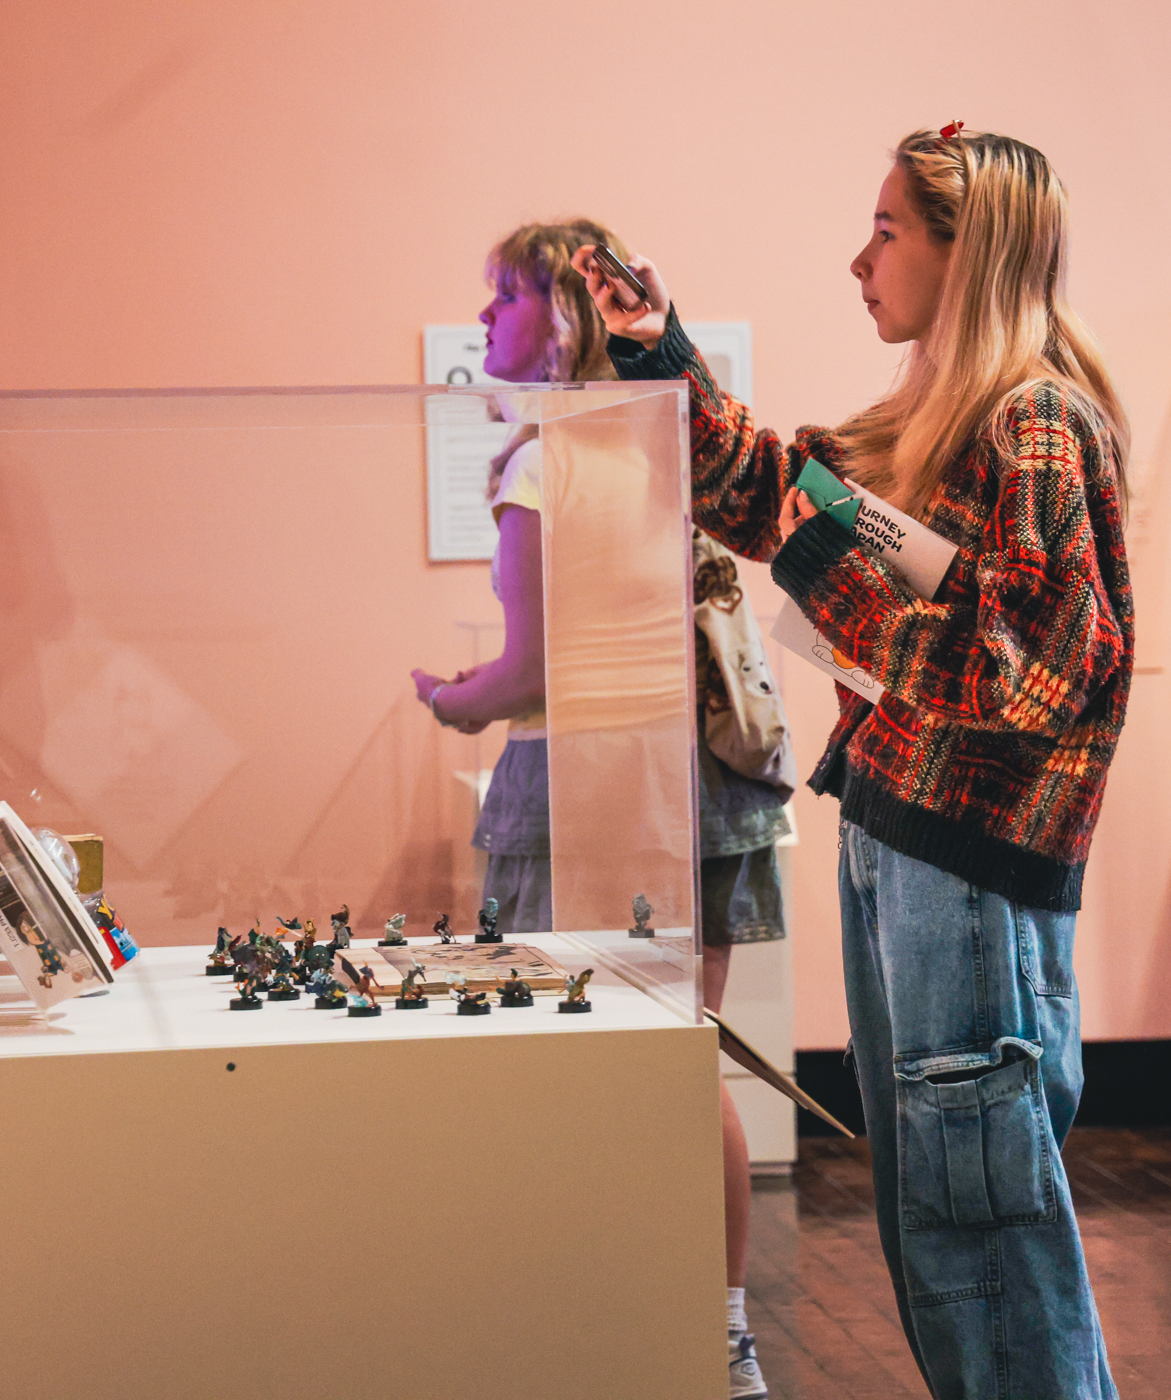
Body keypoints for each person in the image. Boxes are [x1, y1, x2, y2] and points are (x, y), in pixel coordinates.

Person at [577, 126, 1133, 1399]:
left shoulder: (1037, 422)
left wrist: (828, 571)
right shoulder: (945, 418)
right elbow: (774, 491)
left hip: (967, 879)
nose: (858, 259)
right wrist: (658, 347)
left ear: (966, 249)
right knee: (947, 1227)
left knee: (982, 1230)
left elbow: (1033, 674)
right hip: (911, 852)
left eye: (887, 231)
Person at [413, 219, 794, 1400]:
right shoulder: (666, 441)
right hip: (696, 778)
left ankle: (584, 1326)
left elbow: (530, 674)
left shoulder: (547, 462)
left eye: (503, 297)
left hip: (583, 783)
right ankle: (716, 1333)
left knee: (563, 1069)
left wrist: (456, 698)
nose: (483, 321)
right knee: (689, 1074)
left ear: (562, 313)